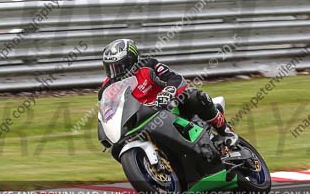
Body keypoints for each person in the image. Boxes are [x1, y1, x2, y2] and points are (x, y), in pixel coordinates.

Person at [98, 39, 238, 146]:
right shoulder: (106, 88)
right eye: (110, 68)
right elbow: (106, 113)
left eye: (118, 67)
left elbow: (175, 79)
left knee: (195, 96)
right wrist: (104, 133)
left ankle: (225, 131)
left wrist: (167, 93)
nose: (115, 72)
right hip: (139, 122)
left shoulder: (148, 66)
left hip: (169, 108)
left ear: (131, 61)